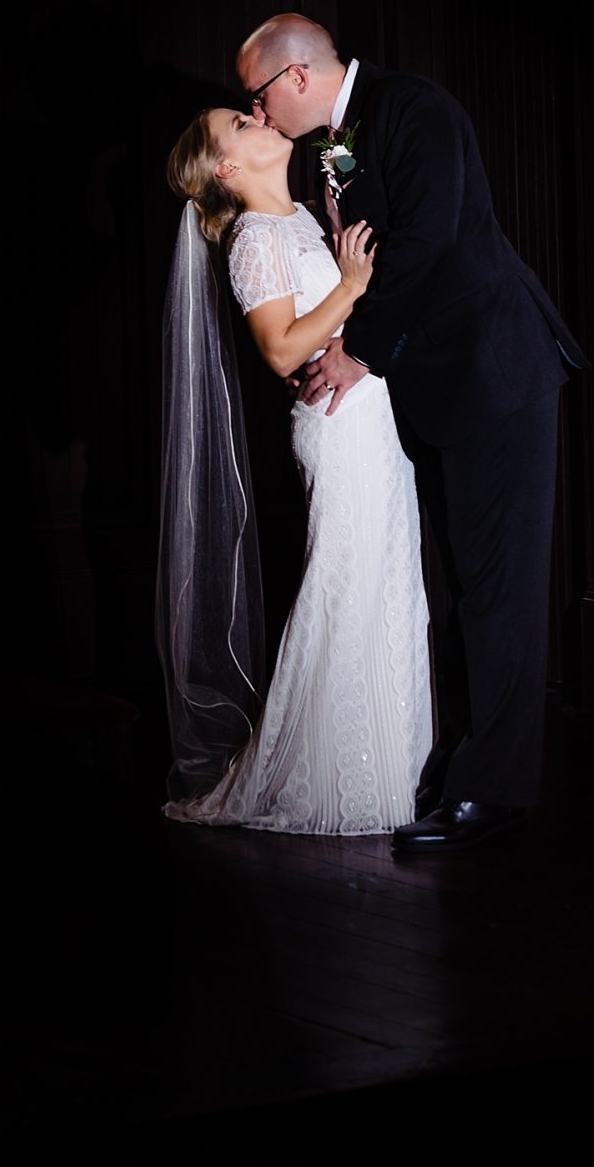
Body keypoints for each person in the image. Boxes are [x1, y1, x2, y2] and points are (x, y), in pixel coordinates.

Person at [234, 13, 588, 851]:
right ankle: (453, 768)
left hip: (493, 372)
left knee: (499, 588)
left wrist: (355, 351)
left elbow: (426, 246)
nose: (254, 113)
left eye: (254, 95)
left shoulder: (413, 109)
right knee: (468, 585)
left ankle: (492, 794)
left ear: (291, 79)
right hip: (440, 386)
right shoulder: (340, 135)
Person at [157, 101, 433, 834]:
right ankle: (337, 782)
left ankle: (391, 773)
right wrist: (346, 287)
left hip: (372, 417)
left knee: (387, 582)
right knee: (345, 583)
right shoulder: (251, 238)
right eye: (240, 126)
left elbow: (342, 138)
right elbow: (280, 351)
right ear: (226, 169)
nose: (260, 121)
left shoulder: (305, 219)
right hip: (337, 428)